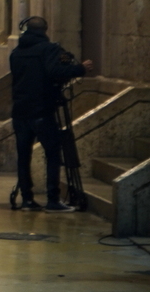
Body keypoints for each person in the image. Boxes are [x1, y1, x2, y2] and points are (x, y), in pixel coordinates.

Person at [9, 16, 92, 212]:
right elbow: (55, 71)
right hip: (42, 110)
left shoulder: (15, 53)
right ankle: (53, 200)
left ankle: (27, 199)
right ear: (45, 30)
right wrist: (80, 68)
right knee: (53, 154)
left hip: (20, 112)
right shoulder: (49, 49)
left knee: (23, 156)